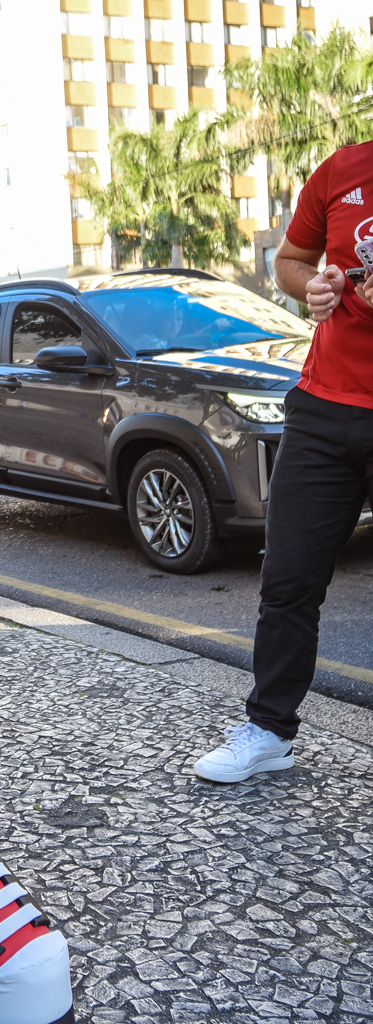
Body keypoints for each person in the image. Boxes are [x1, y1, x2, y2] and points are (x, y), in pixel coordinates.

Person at [194, 141, 373, 783]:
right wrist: (315, 287)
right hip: (324, 407)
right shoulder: (342, 169)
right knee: (288, 579)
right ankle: (269, 731)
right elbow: (290, 261)